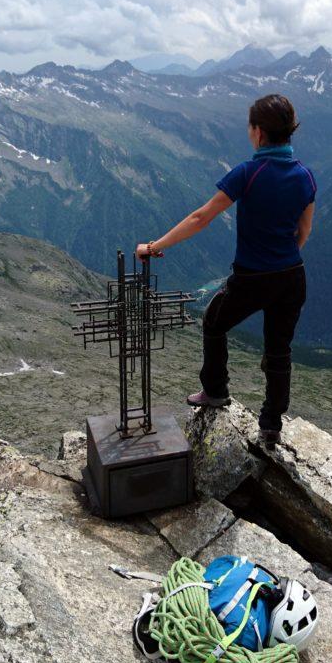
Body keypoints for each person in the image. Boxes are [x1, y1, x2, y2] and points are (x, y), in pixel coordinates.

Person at [135, 93, 316, 450]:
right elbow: (304, 232)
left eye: (250, 128)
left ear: (259, 132)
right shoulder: (305, 176)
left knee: (214, 322)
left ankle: (216, 391)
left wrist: (154, 246)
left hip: (252, 277)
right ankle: (271, 425)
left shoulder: (248, 173)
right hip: (293, 275)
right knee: (279, 350)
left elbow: (201, 217)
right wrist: (281, 260)